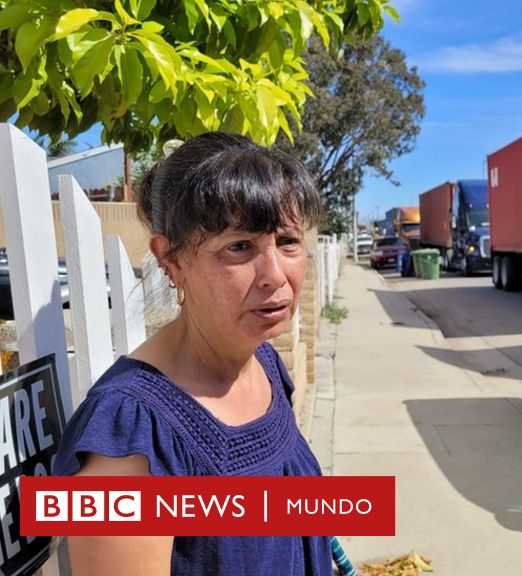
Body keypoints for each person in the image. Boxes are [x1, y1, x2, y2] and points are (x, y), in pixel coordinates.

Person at [53, 132, 334, 575]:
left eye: (287, 241)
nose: (275, 276)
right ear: (171, 260)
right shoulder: (129, 440)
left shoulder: (262, 362)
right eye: (239, 247)